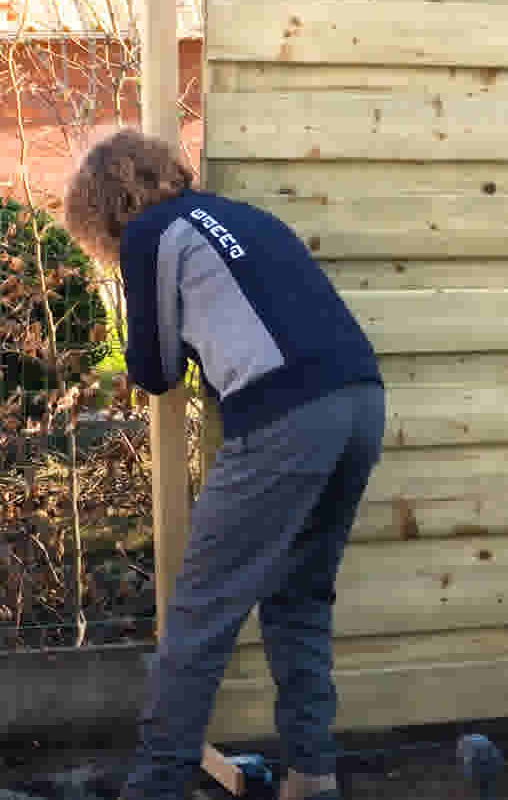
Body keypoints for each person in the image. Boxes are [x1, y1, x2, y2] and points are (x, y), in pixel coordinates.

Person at [63, 129, 385, 800]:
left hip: (284, 417)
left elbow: (154, 371)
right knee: (298, 599)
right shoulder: (245, 217)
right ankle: (313, 776)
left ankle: (151, 788)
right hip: (360, 400)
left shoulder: (150, 235)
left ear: (100, 211)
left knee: (198, 616)